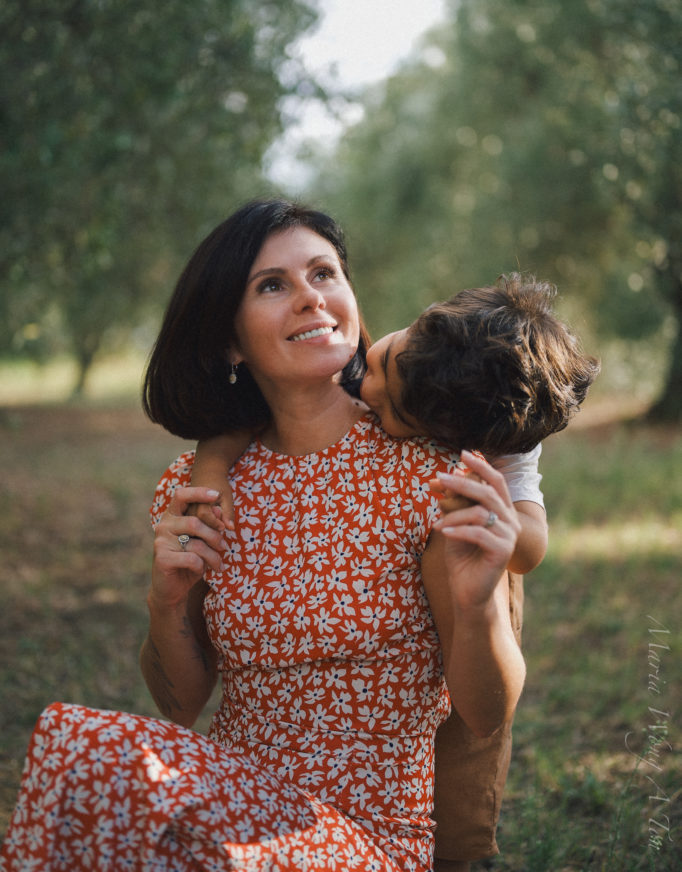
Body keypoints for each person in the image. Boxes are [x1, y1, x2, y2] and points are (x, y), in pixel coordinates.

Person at [0, 198, 528, 872]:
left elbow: (485, 718)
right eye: (273, 285)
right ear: (229, 339)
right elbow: (179, 703)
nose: (311, 298)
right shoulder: (199, 488)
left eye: (324, 273)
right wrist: (164, 603)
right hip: (228, 796)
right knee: (78, 742)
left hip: (366, 834)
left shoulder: (429, 473)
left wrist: (481, 603)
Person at [187, 271, 599, 870]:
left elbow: (530, 548)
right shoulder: (418, 356)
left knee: (466, 750)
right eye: (380, 361)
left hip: (472, 563)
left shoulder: (485, 449)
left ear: (441, 438)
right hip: (257, 779)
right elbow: (246, 416)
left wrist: (501, 534)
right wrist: (211, 465)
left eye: (391, 408)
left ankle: (458, 853)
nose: (367, 388)